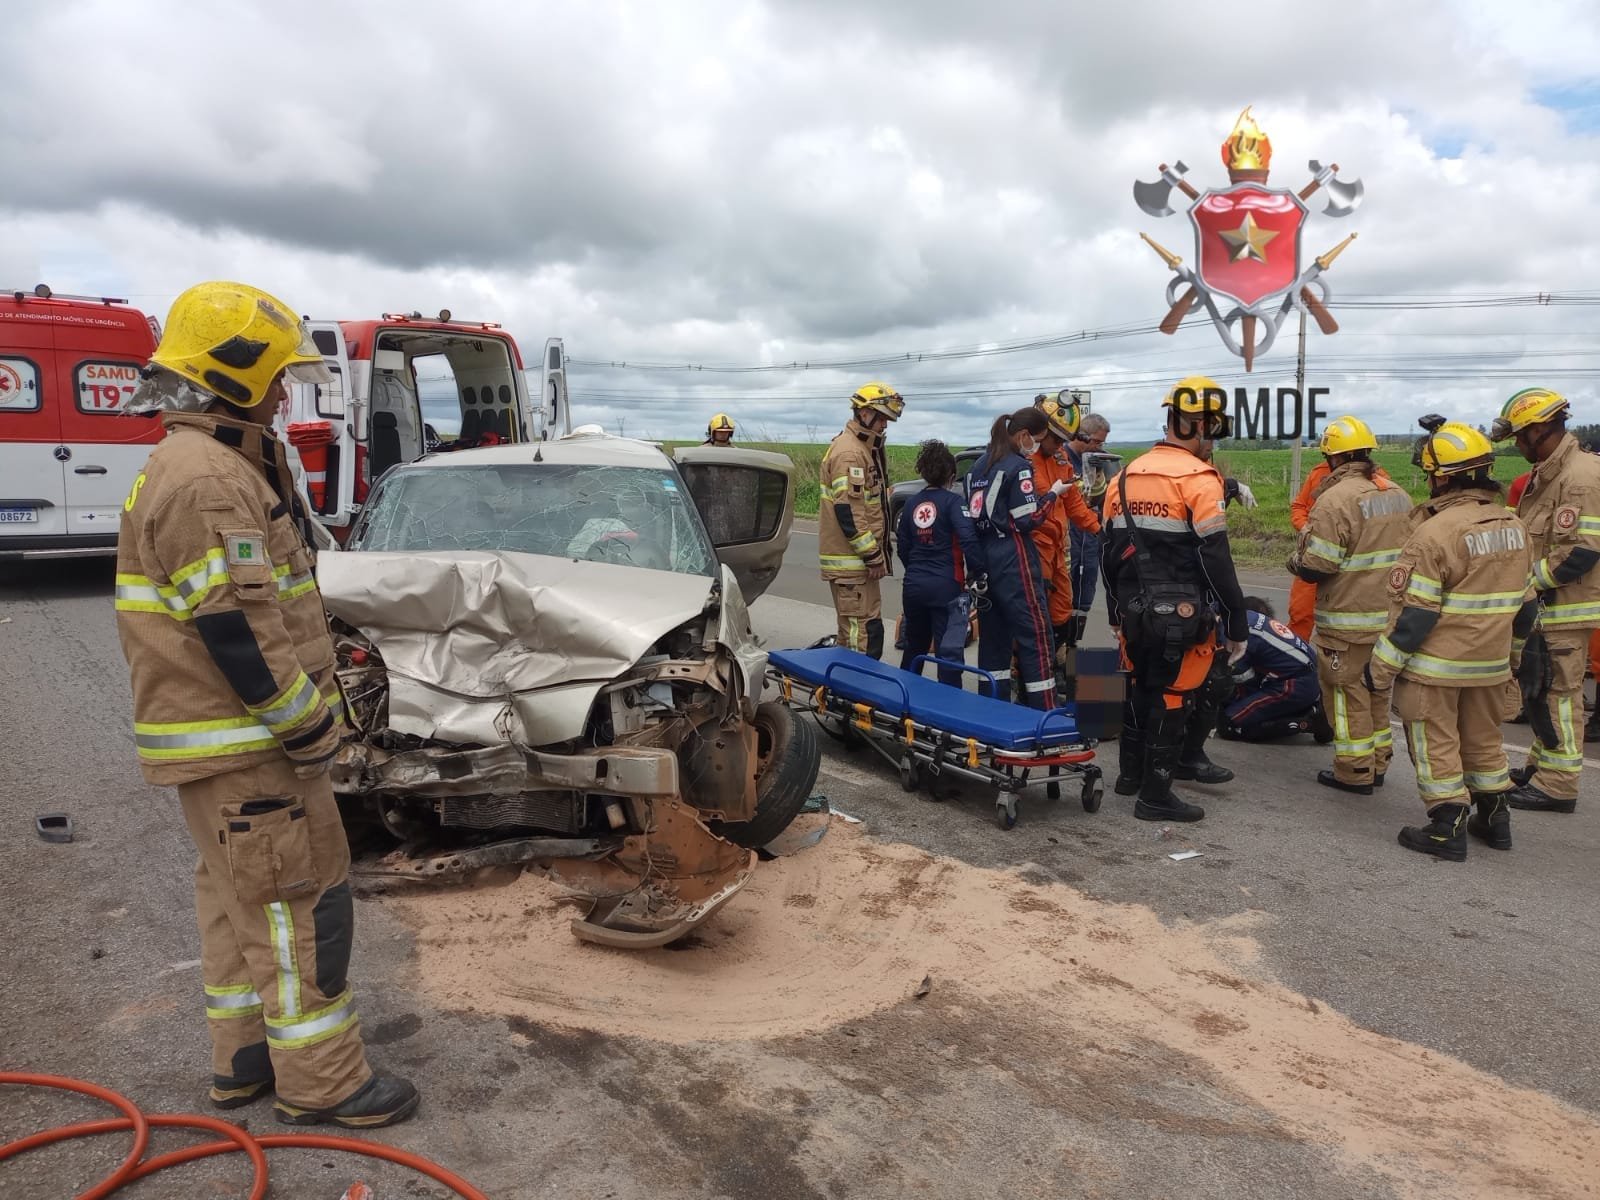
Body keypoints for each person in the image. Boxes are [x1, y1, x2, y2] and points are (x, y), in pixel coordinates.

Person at [114, 281, 419, 1127]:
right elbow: (239, 631)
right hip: (252, 748)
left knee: (237, 903)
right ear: (233, 375)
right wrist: (312, 730)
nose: (286, 393)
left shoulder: (200, 462)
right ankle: (326, 1084)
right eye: (277, 376)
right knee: (299, 908)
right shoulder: (207, 478)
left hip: (221, 750)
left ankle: (244, 1063)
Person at [1365, 421, 1535, 860]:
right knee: (1483, 740)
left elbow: (1414, 617)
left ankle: (1447, 825)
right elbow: (1527, 609)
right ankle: (1495, 818)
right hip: (1491, 666)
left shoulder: (1435, 533)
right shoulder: (1513, 525)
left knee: (1434, 740)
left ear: (1441, 477)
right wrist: (1511, 659)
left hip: (1436, 669)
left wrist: (1379, 670)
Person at [1101, 375, 1249, 823]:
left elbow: (1108, 555)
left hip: (1131, 611)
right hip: (1182, 616)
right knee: (1173, 695)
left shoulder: (1124, 477)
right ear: (1198, 425)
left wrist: (1114, 613)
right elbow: (1216, 560)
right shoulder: (1200, 480)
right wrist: (1236, 619)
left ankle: (1128, 777)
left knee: (1137, 686)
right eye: (1215, 430)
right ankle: (1155, 794)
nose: (1214, 442)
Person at [1286, 416, 1414, 796]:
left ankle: (1354, 770)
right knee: (1377, 692)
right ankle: (1378, 762)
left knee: (1346, 695)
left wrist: (1294, 562)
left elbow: (1318, 565)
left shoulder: (1334, 500)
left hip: (1347, 620)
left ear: (1333, 458)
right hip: (1389, 619)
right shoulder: (1397, 493)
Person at [1495, 388, 1600, 813]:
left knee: (1561, 693)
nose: (1517, 445)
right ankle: (1541, 767)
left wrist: (1528, 584)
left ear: (1540, 429)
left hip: (1564, 607)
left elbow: (1583, 549)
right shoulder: (1549, 472)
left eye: (1520, 436)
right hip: (1546, 608)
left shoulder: (1580, 477)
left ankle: (1558, 785)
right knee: (1542, 691)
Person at [964, 407, 1070, 708]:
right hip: (1013, 556)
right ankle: (1043, 713)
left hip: (984, 557)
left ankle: (991, 707)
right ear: (1024, 436)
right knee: (1035, 635)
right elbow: (1028, 518)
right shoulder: (1018, 466)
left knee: (994, 639)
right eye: (1035, 440)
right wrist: (1052, 494)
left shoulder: (977, 467)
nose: (1035, 447)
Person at [819, 383, 903, 657]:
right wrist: (872, 556)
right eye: (881, 418)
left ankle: (861, 691)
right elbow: (850, 514)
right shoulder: (850, 453)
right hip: (854, 565)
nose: (884, 426)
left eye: (887, 420)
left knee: (868, 630)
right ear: (863, 413)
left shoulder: (863, 449)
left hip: (859, 566)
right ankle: (852, 694)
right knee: (859, 639)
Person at [897, 440, 986, 686]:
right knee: (949, 654)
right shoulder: (954, 503)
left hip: (913, 586)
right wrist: (978, 571)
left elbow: (903, 547)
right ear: (952, 474)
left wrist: (915, 570)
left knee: (914, 647)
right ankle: (948, 709)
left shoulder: (911, 503)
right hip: (947, 587)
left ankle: (905, 700)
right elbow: (968, 539)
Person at [1031, 393, 1102, 650]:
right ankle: (1024, 670)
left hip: (1057, 548)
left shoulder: (1060, 459)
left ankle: (1053, 659)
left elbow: (1073, 504)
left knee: (1062, 608)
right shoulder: (1026, 461)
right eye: (1055, 439)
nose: (1058, 445)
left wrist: (1098, 529)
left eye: (1063, 440)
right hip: (1034, 547)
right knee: (1034, 614)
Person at [1217, 597, 1328, 741]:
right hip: (1305, 676)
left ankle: (1310, 723)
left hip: (1295, 683)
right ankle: (1306, 708)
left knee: (1228, 724)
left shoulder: (1235, 634)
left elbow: (1241, 681)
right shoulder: (1246, 618)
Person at [1065, 412, 1111, 621]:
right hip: (1068, 537)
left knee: (1086, 595)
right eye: (1097, 442)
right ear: (1083, 436)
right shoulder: (1061, 459)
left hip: (1089, 538)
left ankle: (1079, 641)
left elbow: (1098, 499)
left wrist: (1099, 472)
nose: (1100, 447)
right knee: (1064, 594)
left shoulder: (1093, 460)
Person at [1286, 462, 1332, 640]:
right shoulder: (1318, 473)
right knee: (1300, 614)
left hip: (1351, 561)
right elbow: (1299, 507)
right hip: (1314, 553)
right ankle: (1293, 658)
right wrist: (1305, 528)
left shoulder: (1377, 476)